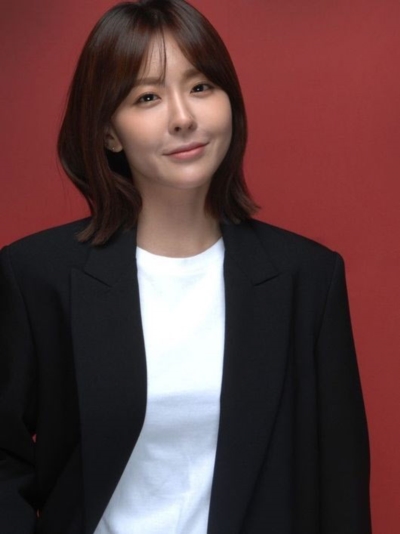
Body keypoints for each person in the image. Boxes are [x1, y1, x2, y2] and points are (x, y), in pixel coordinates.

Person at [0, 0, 371, 533]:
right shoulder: (36, 276)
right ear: (109, 133)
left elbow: (340, 486)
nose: (182, 117)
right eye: (147, 97)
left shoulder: (308, 279)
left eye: (201, 87)